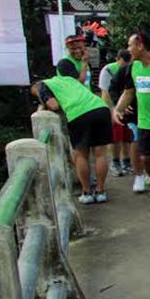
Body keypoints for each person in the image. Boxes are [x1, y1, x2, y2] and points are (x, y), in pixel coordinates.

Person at [32, 74, 114, 203]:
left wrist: (44, 103)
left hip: (78, 113)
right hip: (100, 108)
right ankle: (100, 191)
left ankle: (86, 192)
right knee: (100, 154)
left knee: (81, 155)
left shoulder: (43, 86)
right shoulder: (67, 79)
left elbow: (53, 105)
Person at [112, 30, 150, 193]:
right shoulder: (132, 68)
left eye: (130, 45)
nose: (128, 49)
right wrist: (117, 110)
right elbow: (128, 92)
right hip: (144, 123)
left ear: (140, 46)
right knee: (146, 159)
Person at [99, 49, 133, 176]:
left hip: (127, 106)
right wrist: (114, 110)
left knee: (127, 135)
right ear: (117, 59)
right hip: (113, 107)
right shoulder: (108, 70)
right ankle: (115, 162)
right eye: (123, 64)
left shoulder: (131, 68)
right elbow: (105, 93)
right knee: (115, 136)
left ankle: (127, 161)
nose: (125, 67)